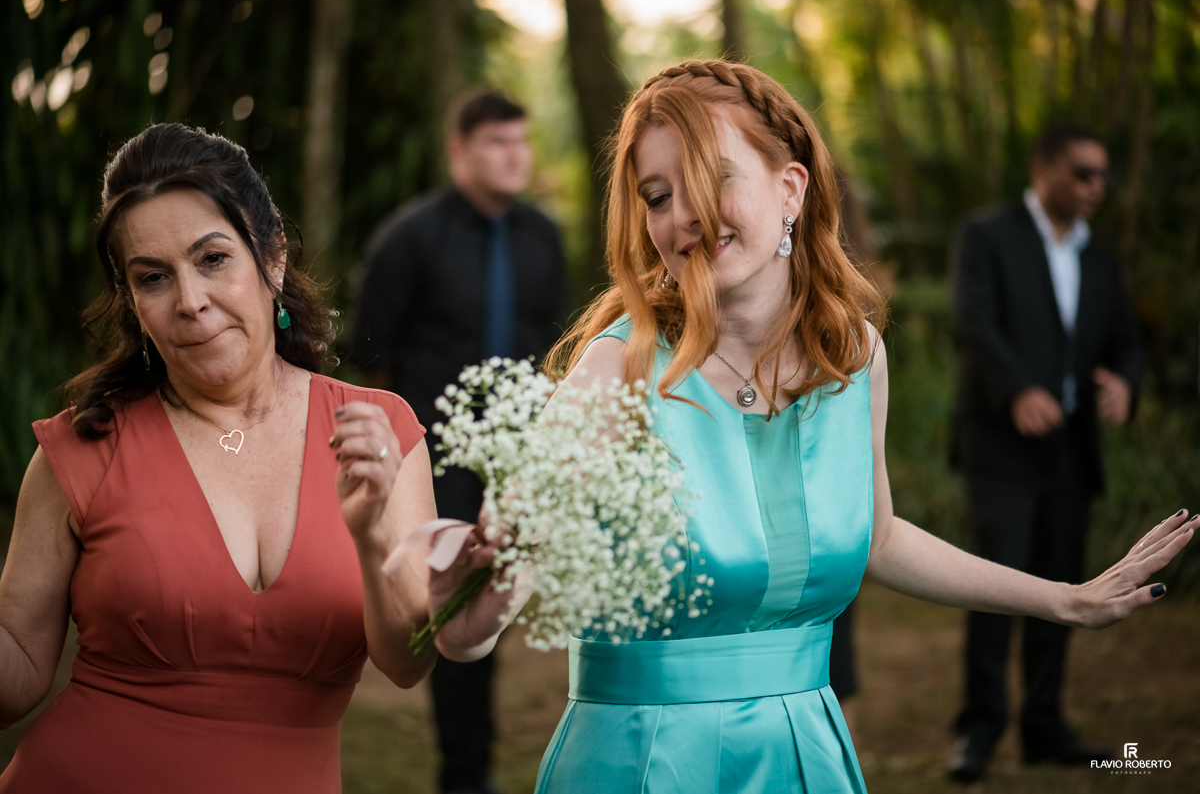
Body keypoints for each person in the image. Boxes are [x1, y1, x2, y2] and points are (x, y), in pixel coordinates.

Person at [424, 60, 1193, 794]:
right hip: (644, 760)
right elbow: (473, 627)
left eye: (713, 177)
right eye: (657, 195)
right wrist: (470, 595)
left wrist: (1064, 598)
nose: (683, 215)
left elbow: (878, 537)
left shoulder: (854, 356)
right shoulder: (615, 372)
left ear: (790, 188)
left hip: (803, 753)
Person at [0, 123, 438, 792]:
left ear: (273, 258)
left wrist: (374, 533)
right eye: (153, 278)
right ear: (133, 302)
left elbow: (409, 663)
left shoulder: (381, 433)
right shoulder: (83, 448)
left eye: (212, 259)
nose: (190, 301)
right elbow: (20, 673)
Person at [350, 90, 565, 794]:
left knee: (499, 604)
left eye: (521, 141)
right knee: (451, 607)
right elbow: (374, 361)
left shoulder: (543, 236)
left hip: (517, 459)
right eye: (499, 142)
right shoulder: (408, 239)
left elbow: (554, 351)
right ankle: (464, 777)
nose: (516, 156)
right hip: (436, 459)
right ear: (460, 151)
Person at [946, 124, 1146, 782]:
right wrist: (1017, 390)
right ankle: (978, 729)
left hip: (1071, 450)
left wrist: (1125, 381)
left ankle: (1044, 725)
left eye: (1103, 176)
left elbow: (1125, 339)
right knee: (994, 588)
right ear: (1044, 169)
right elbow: (973, 323)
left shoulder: (1100, 258)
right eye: (1084, 173)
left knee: (1064, 585)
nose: (1097, 187)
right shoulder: (987, 235)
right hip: (1000, 446)